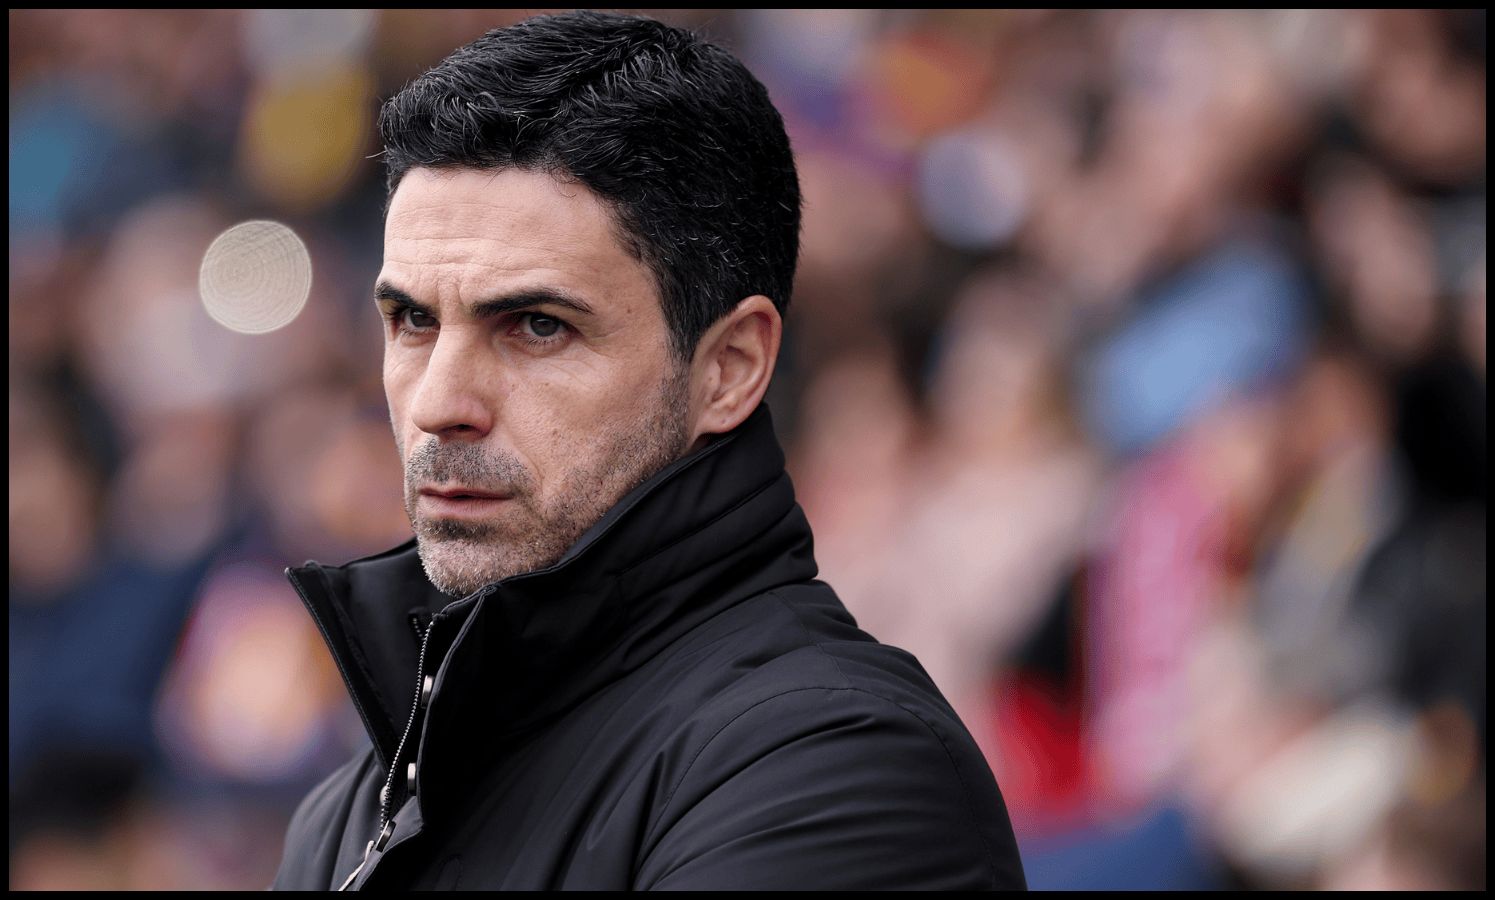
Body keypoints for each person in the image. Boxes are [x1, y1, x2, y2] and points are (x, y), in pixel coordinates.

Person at [269, 11, 1027, 890]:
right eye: (413, 321)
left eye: (537, 326)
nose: (439, 403)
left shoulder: (836, 768)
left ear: (729, 368)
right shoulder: (349, 811)